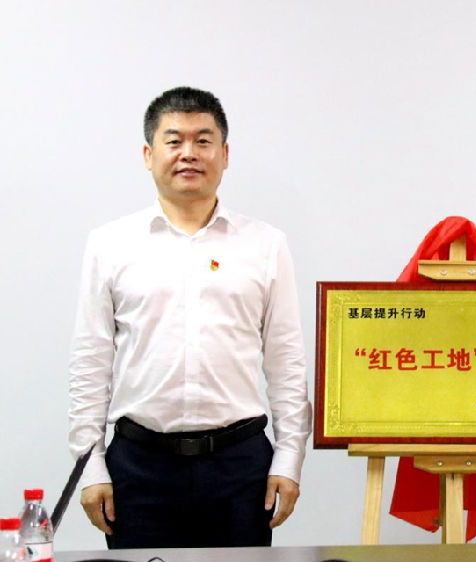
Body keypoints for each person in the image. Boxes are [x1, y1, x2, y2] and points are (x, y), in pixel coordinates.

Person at [68, 86, 310, 548]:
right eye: (174, 140)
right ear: (148, 154)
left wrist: (289, 459)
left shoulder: (265, 244)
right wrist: (90, 464)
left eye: (203, 140)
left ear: (225, 154)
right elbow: (90, 360)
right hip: (139, 466)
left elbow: (286, 360)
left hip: (240, 466)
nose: (189, 154)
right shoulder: (110, 244)